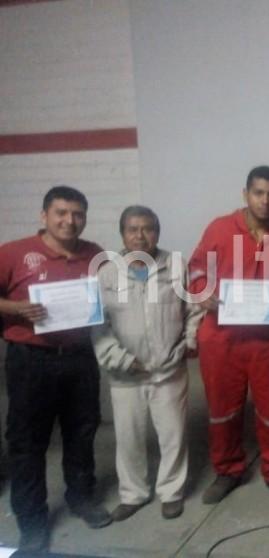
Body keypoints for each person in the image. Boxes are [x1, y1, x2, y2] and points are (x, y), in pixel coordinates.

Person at [0, 186, 112, 552]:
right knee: (27, 444)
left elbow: (116, 290)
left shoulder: (94, 253)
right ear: (44, 215)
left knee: (82, 431)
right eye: (61, 212)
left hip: (79, 357)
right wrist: (15, 309)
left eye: (77, 214)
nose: (70, 220)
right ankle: (32, 523)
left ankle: (81, 498)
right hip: (31, 360)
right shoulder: (14, 253)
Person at [188, 165, 269, 504]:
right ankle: (228, 470)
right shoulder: (220, 229)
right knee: (223, 409)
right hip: (221, 338)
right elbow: (196, 269)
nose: (265, 201)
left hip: (268, 342)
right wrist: (202, 292)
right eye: (258, 193)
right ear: (246, 194)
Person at [92, 206, 203, 521]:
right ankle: (134, 493)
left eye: (148, 228)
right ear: (123, 234)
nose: (141, 235)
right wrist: (121, 360)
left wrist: (189, 343)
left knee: (173, 435)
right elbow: (98, 326)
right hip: (125, 373)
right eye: (133, 229)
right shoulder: (107, 273)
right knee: (129, 437)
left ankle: (171, 492)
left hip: (168, 369)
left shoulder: (176, 266)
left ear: (158, 232)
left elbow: (193, 310)